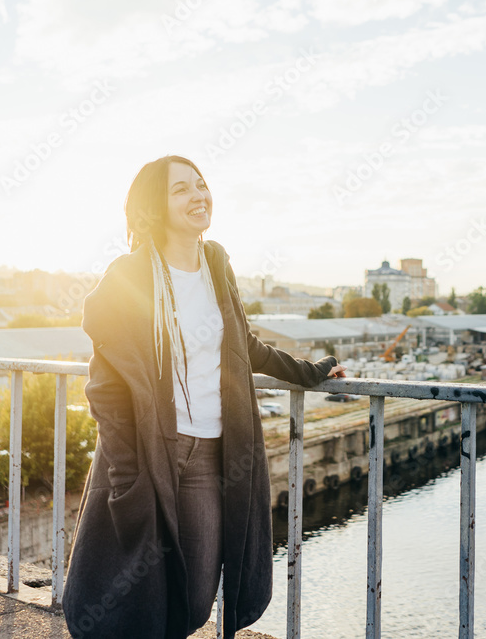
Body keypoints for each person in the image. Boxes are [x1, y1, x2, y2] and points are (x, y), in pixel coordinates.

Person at [62, 155, 346, 639]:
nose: (198, 196)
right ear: (156, 205)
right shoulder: (129, 276)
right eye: (181, 190)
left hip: (210, 456)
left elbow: (243, 345)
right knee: (141, 592)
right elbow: (106, 386)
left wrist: (312, 372)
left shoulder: (216, 262)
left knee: (195, 599)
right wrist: (128, 475)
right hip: (150, 456)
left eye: (201, 185)